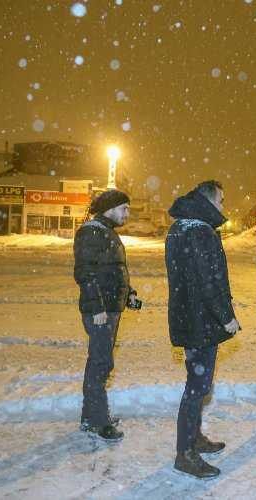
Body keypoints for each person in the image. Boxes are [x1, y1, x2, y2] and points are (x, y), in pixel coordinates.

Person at [166, 180, 240, 479]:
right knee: (197, 388)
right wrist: (226, 317)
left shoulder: (180, 228)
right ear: (209, 202)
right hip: (201, 321)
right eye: (221, 200)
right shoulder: (201, 231)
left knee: (197, 384)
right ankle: (185, 453)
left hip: (189, 317)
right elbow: (208, 281)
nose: (223, 206)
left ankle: (193, 438)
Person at [74, 189, 141, 442]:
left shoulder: (106, 232)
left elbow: (113, 271)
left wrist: (128, 294)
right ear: (110, 208)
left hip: (110, 307)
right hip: (100, 311)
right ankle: (96, 421)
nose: (127, 214)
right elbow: (86, 273)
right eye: (124, 208)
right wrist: (97, 307)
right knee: (100, 363)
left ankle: (92, 415)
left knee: (101, 362)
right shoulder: (92, 232)